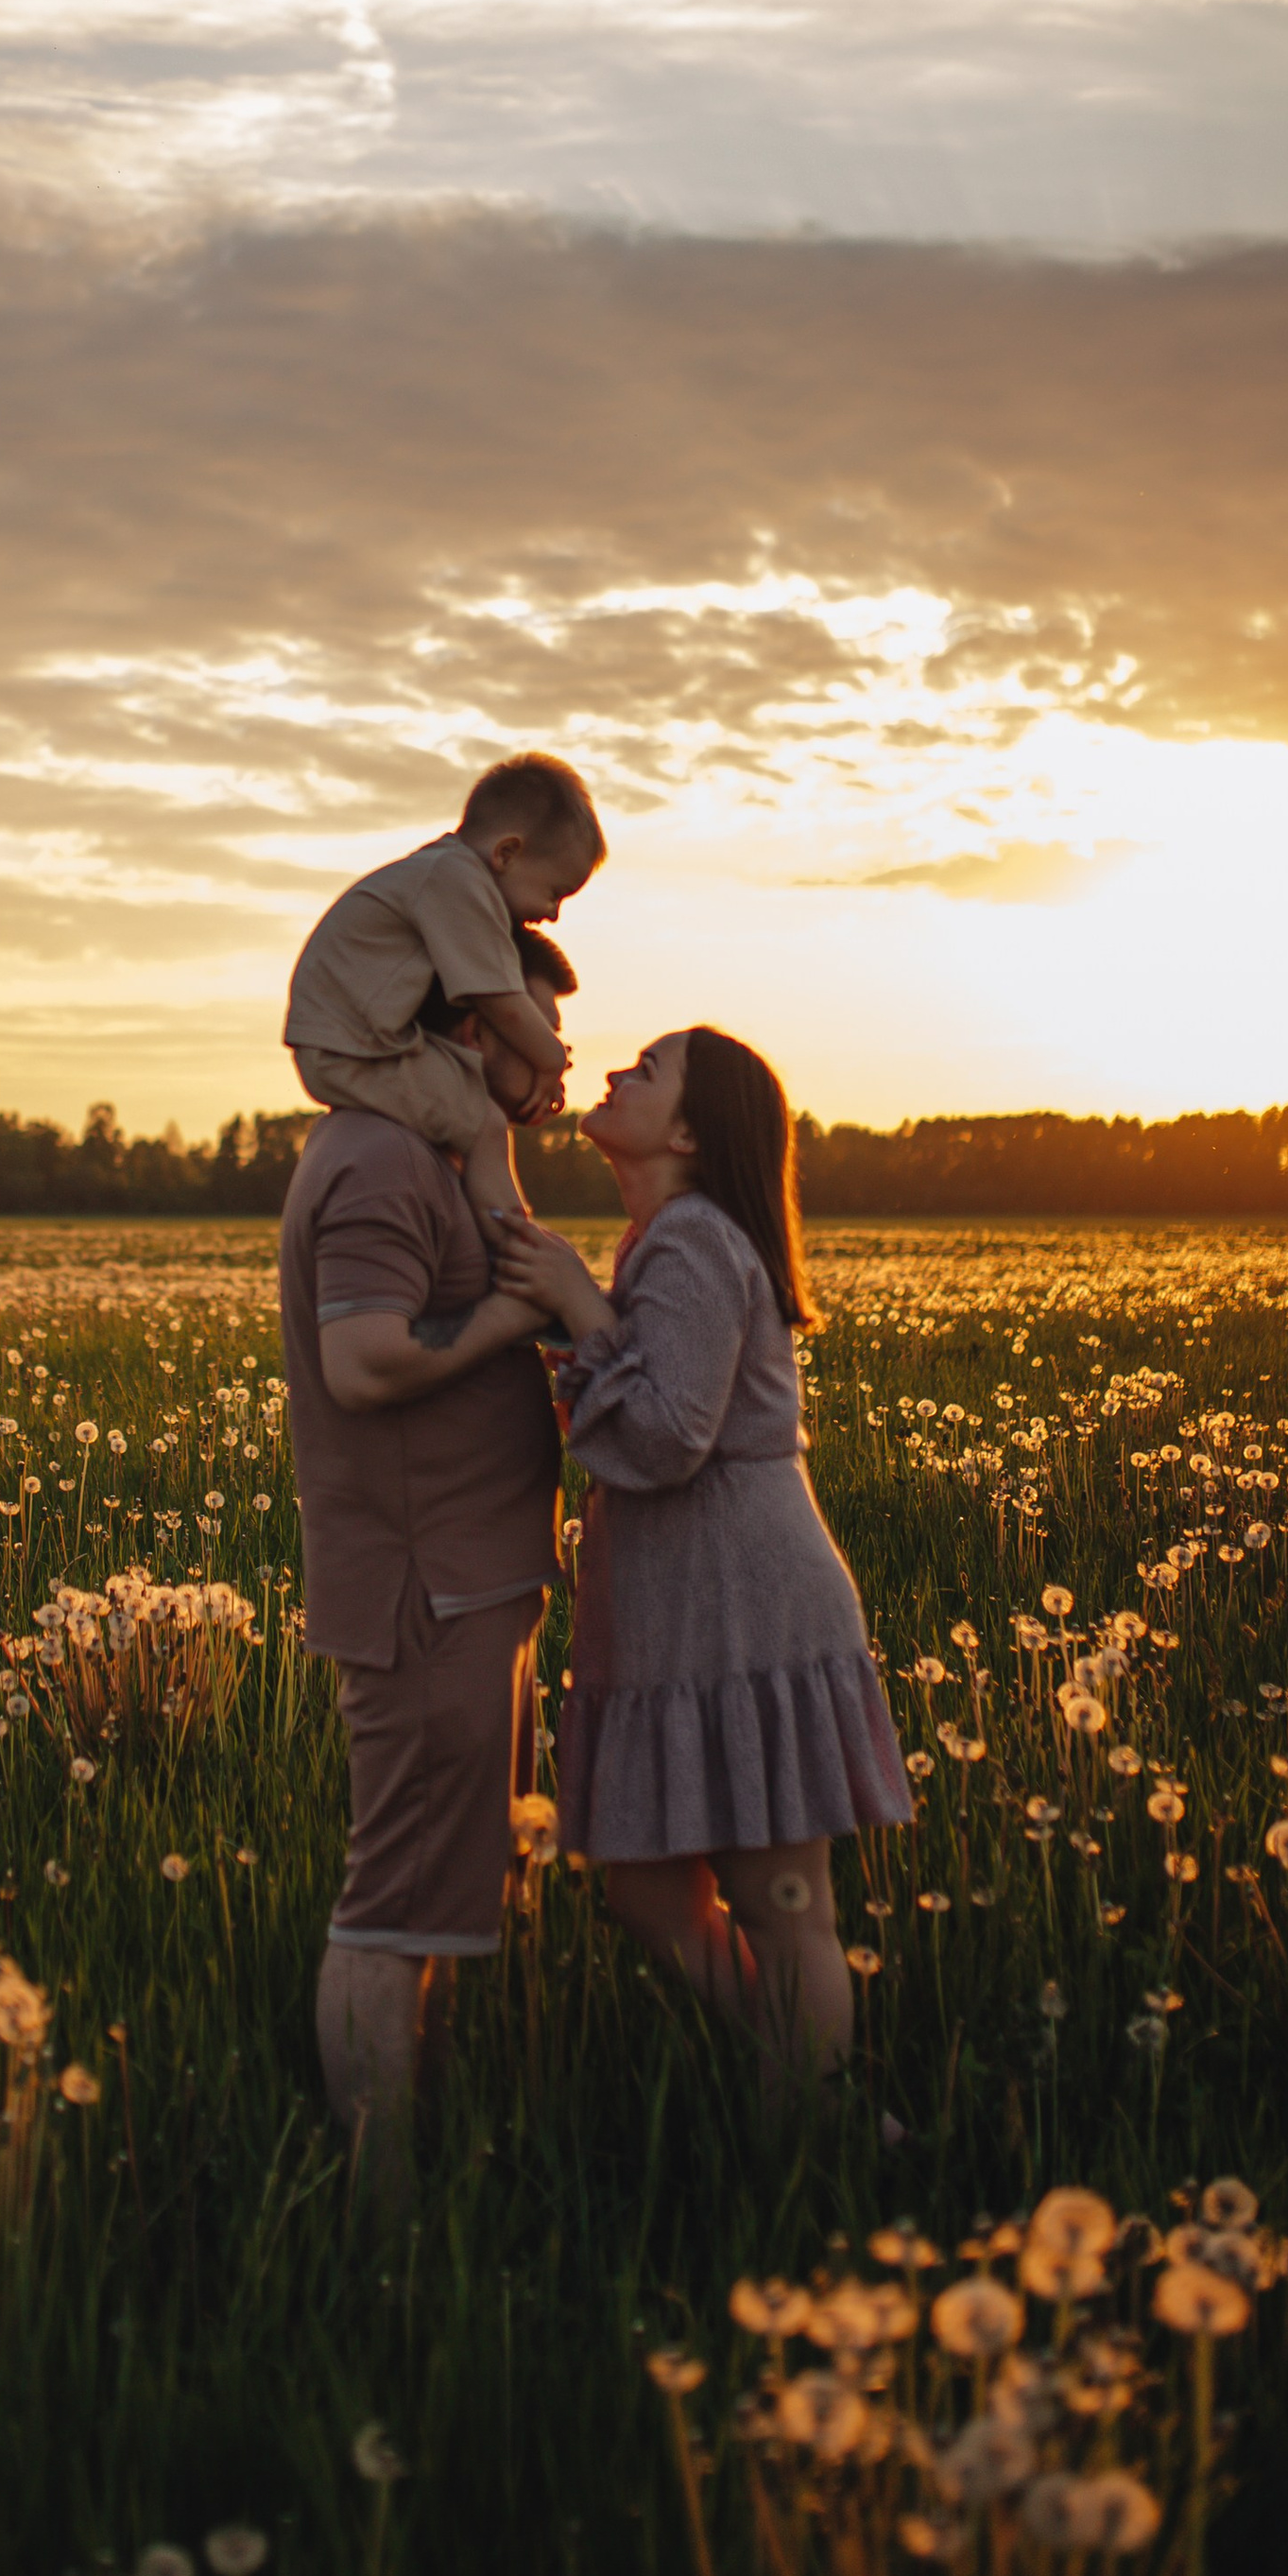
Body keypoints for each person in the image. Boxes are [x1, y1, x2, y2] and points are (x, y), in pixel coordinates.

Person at [491, 1025, 910, 2113]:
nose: (619, 1072)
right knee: (644, 1887)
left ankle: (812, 2133)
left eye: (650, 1066)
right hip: (681, 1604)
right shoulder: (668, 1237)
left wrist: (578, 1309)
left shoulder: (689, 1239)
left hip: (745, 1601)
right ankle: (808, 2083)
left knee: (782, 1902)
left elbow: (673, 1432)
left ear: (686, 1129)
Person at [279, 934, 580, 2217]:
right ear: (471, 1030)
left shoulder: (440, 1157)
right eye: (538, 1031)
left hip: (473, 1587)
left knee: (446, 1897)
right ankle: (383, 2209)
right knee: (391, 1906)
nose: (557, 1060)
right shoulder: (381, 1162)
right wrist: (522, 1319)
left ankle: (431, 2143)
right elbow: (363, 1364)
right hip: (424, 1595)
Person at [283, 754, 604, 1235]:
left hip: (365, 1042)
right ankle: (515, 1251)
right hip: (354, 1051)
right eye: (555, 892)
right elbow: (503, 1003)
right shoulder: (458, 882)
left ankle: (500, 1237)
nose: (553, 913)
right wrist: (552, 1061)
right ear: (506, 853)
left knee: (474, 1112)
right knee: (482, 1125)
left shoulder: (441, 874)